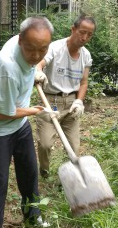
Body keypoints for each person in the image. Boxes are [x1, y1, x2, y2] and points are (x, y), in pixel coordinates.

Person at [0, 16, 55, 228]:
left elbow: (37, 59)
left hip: (19, 123)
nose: (36, 54)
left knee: (29, 171)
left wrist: (38, 70)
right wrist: (35, 111)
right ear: (20, 41)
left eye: (42, 49)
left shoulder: (32, 46)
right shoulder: (7, 68)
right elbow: (3, 113)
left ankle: (32, 217)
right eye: (31, 49)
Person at [34, 14, 95, 179]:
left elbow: (83, 82)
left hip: (71, 104)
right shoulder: (55, 48)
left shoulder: (86, 56)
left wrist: (79, 101)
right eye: (82, 32)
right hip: (50, 102)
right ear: (73, 29)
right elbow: (39, 63)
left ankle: (71, 178)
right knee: (45, 144)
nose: (85, 37)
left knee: (74, 147)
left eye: (89, 35)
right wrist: (38, 72)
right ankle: (44, 171)